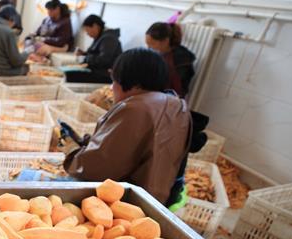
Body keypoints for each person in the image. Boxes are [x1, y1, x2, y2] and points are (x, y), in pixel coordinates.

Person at [61, 48, 192, 205]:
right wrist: (86, 142)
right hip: (160, 197)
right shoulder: (177, 104)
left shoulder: (136, 109)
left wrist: (70, 149)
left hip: (129, 202)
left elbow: (96, 170)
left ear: (133, 83)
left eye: (114, 80)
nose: (111, 88)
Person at [64, 14, 122, 84]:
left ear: (95, 26)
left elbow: (103, 60)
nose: (87, 34)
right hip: (96, 70)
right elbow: (95, 54)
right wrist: (83, 54)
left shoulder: (108, 38)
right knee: (66, 71)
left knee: (69, 75)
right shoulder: (101, 36)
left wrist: (85, 58)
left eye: (87, 30)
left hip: (105, 75)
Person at [145, 22, 196, 98]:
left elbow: (177, 89)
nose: (149, 47)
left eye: (152, 44)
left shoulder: (181, 59)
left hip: (170, 98)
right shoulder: (160, 53)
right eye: (147, 44)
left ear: (165, 41)